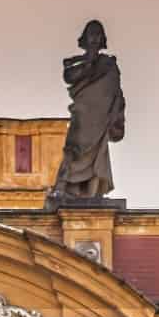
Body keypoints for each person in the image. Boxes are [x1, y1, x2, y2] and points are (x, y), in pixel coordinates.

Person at [48, 19, 124, 202]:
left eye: (98, 34)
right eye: (92, 34)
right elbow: (70, 77)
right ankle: (63, 185)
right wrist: (87, 62)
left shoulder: (108, 64)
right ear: (85, 37)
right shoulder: (75, 63)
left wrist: (118, 117)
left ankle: (92, 191)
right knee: (73, 149)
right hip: (83, 113)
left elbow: (116, 92)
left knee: (98, 153)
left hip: (102, 116)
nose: (95, 38)